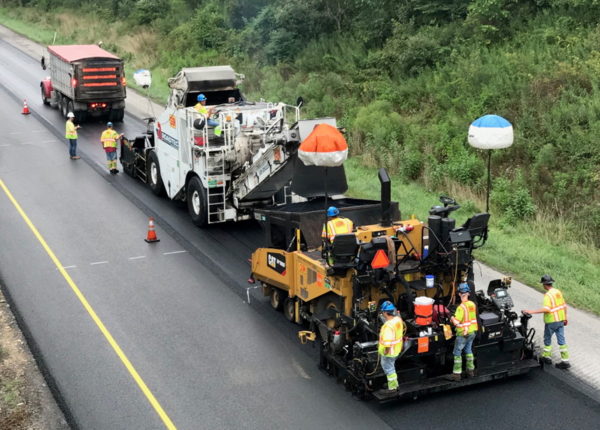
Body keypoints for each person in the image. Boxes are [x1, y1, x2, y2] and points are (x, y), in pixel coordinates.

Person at [522, 275, 570, 369]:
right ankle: (565, 361)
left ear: (544, 284)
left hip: (551, 322)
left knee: (547, 339)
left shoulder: (548, 295)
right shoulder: (557, 292)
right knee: (561, 341)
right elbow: (564, 306)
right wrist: (565, 318)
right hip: (560, 320)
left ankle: (546, 357)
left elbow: (547, 309)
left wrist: (531, 311)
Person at [446, 282, 478, 381]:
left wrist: (450, 316)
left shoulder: (460, 308)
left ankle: (456, 374)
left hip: (463, 334)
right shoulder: (472, 304)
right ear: (468, 293)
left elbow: (456, 322)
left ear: (459, 294)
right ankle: (470, 371)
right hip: (472, 332)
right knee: (468, 350)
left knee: (457, 352)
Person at [377, 301, 404, 394]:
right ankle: (393, 384)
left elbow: (387, 343)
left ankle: (392, 388)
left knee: (388, 369)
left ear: (385, 312)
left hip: (389, 352)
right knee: (391, 367)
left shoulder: (388, 326)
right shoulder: (398, 320)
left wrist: (385, 351)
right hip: (396, 350)